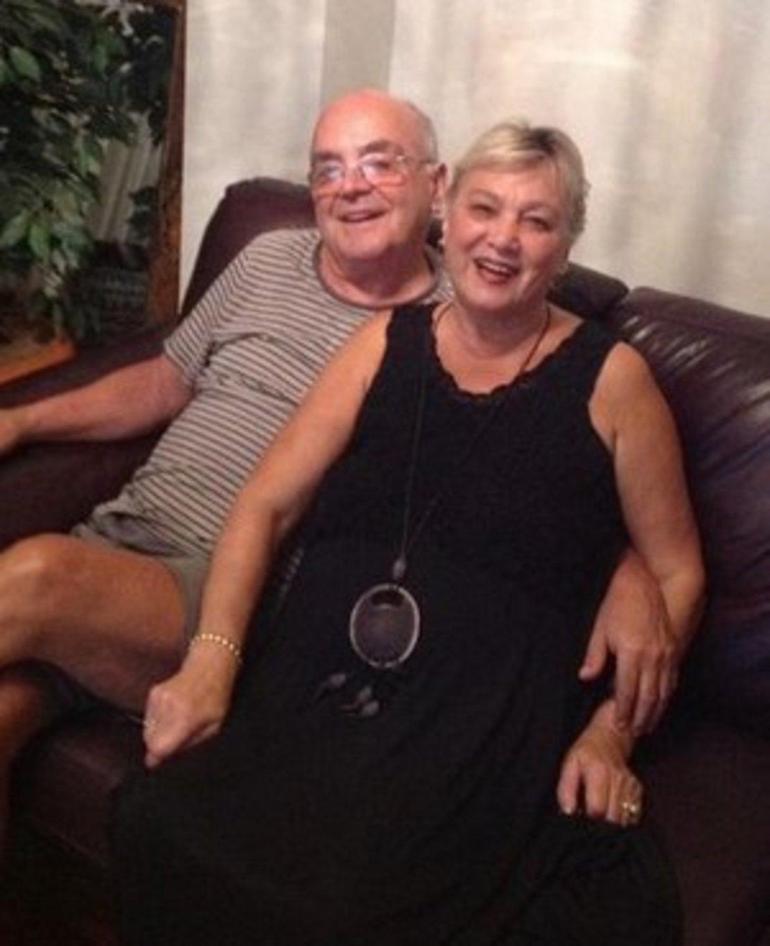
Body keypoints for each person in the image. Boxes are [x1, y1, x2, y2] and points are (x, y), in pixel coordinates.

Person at [0, 91, 671, 834]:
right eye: (329, 168)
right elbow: (165, 380)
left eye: (379, 163)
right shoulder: (267, 258)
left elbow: (527, 468)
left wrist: (627, 569)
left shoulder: (462, 318)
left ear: (437, 187)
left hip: (231, 586)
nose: (350, 186)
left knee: (35, 576)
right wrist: (20, 420)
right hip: (118, 550)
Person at [114, 119, 704, 946]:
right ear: (447, 214)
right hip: (324, 687)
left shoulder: (615, 382)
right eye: (485, 209)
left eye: (536, 221)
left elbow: (678, 568)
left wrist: (613, 733)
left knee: (364, 908)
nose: (503, 238)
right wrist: (213, 659)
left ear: (565, 248)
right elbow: (265, 504)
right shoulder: (378, 345)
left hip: (484, 723)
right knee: (158, 823)